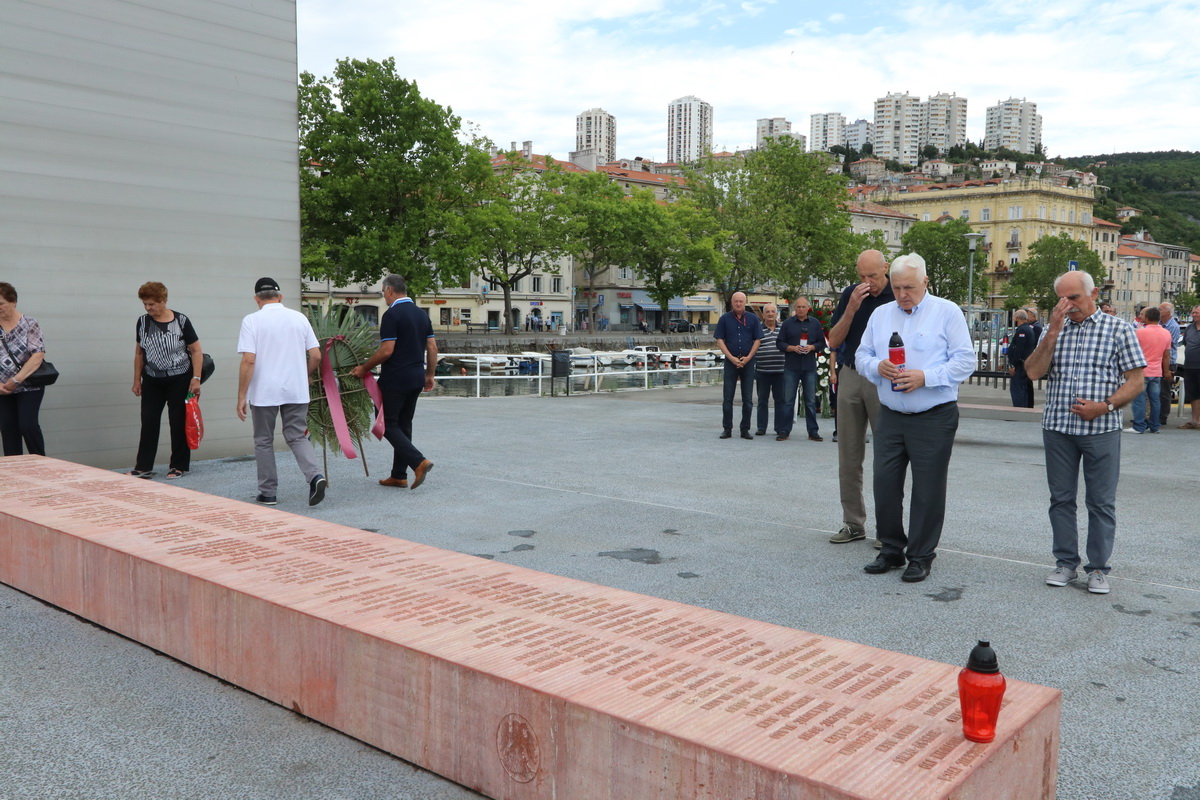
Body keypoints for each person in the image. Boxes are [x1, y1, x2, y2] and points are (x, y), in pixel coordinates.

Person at [855, 254, 975, 583]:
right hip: (891, 414)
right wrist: (876, 367)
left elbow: (966, 361)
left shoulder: (947, 312)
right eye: (896, 288)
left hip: (933, 416)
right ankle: (891, 548)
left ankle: (921, 556)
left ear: (925, 282)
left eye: (909, 287)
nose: (902, 294)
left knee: (927, 489)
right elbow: (861, 355)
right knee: (885, 484)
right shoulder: (881, 314)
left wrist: (926, 377)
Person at [1025, 270, 1145, 595]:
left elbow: (1136, 381)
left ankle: (1098, 569)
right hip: (1059, 428)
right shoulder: (1054, 329)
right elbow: (1033, 372)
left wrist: (1105, 406)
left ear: (1093, 294)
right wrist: (1052, 332)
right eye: (1062, 299)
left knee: (1101, 502)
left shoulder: (1119, 329)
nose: (1068, 305)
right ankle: (1065, 563)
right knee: (1061, 499)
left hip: (1101, 428)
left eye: (1074, 297)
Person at [236, 277, 327, 506]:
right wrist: (305, 374)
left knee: (263, 440)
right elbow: (316, 355)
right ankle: (315, 476)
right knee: (296, 435)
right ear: (280, 297)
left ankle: (268, 493)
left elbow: (248, 360)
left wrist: (241, 395)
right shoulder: (299, 318)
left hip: (264, 391)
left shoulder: (251, 321)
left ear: (256, 299)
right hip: (295, 388)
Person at [825, 250, 895, 545]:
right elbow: (833, 340)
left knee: (888, 456)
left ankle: (888, 529)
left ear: (886, 268)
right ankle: (853, 522)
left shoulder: (898, 292)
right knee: (848, 454)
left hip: (883, 377)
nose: (868, 282)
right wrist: (851, 307)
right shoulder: (851, 294)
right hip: (852, 374)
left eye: (873, 276)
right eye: (862, 276)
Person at [351, 274, 436, 490]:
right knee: (404, 425)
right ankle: (399, 475)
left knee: (387, 425)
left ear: (389, 290)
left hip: (395, 379)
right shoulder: (422, 314)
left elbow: (386, 350)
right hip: (416, 377)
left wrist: (364, 368)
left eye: (383, 292)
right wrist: (429, 375)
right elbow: (432, 347)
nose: (384, 296)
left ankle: (418, 462)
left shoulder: (391, 315)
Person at [128, 282, 204, 479]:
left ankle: (178, 465)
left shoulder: (181, 321)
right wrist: (137, 380)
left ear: (163, 301)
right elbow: (139, 353)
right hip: (152, 379)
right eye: (145, 304)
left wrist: (196, 378)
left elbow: (196, 350)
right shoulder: (142, 322)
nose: (148, 308)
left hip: (179, 379)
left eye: (152, 304)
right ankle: (143, 466)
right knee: (149, 421)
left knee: (178, 422)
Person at [0, 282, 47, 456]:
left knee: (28, 425)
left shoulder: (29, 324)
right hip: (2, 389)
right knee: (8, 429)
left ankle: (41, 463)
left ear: (13, 302)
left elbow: (37, 355)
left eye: (1, 303)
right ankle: (15, 468)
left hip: (29, 385)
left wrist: (16, 380)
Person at [777, 296, 827, 442]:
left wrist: (812, 347)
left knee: (810, 401)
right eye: (798, 307)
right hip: (791, 366)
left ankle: (813, 431)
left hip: (809, 366)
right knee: (788, 401)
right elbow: (779, 343)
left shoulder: (815, 323)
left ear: (808, 308)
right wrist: (792, 348)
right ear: (795, 308)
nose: (800, 309)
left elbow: (821, 343)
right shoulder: (787, 324)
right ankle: (784, 431)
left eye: (803, 307)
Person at [714, 291, 762, 439]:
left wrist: (748, 358)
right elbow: (719, 340)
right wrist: (731, 358)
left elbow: (758, 340)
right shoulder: (724, 319)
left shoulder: (753, 319)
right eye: (736, 301)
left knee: (748, 399)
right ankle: (727, 428)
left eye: (741, 301)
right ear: (732, 303)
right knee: (728, 397)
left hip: (748, 362)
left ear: (745, 302)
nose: (738, 304)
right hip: (731, 361)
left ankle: (745, 429)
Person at [1125, 305, 1171, 434]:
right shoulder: (1166, 333)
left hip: (1142, 371)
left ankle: (1139, 426)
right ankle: (1155, 426)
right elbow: (1166, 355)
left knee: (1139, 400)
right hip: (1157, 371)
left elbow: (1133, 351)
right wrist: (1166, 371)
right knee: (1155, 400)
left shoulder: (1140, 332)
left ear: (1147, 318)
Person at [752, 303, 786, 438]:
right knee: (762, 400)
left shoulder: (783, 328)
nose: (770, 314)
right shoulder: (757, 329)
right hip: (762, 371)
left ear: (776, 314)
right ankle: (761, 427)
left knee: (780, 401)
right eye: (768, 312)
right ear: (763, 314)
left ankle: (780, 428)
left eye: (773, 311)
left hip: (781, 371)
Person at [1006, 310, 1035, 408]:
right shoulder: (1029, 329)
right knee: (1024, 389)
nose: (1013, 319)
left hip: (1020, 365)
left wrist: (1012, 364)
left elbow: (1019, 349)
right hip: (1026, 363)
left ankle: (1019, 410)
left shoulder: (1022, 330)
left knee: (1017, 389)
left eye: (1014, 317)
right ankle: (1025, 409)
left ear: (1017, 318)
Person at [1158, 302, 1181, 427]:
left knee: (1164, 391)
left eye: (1160, 309)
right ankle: (1153, 415)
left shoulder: (1173, 326)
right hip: (1158, 360)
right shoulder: (1159, 324)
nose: (1158, 310)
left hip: (1168, 362)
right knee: (1155, 390)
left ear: (1167, 312)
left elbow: (1166, 345)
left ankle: (1163, 417)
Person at [1179, 305, 1200, 429]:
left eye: (1197, 313)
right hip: (1190, 366)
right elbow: (1186, 344)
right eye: (1193, 313)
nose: (1194, 315)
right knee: (1193, 394)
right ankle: (1195, 421)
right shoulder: (1189, 328)